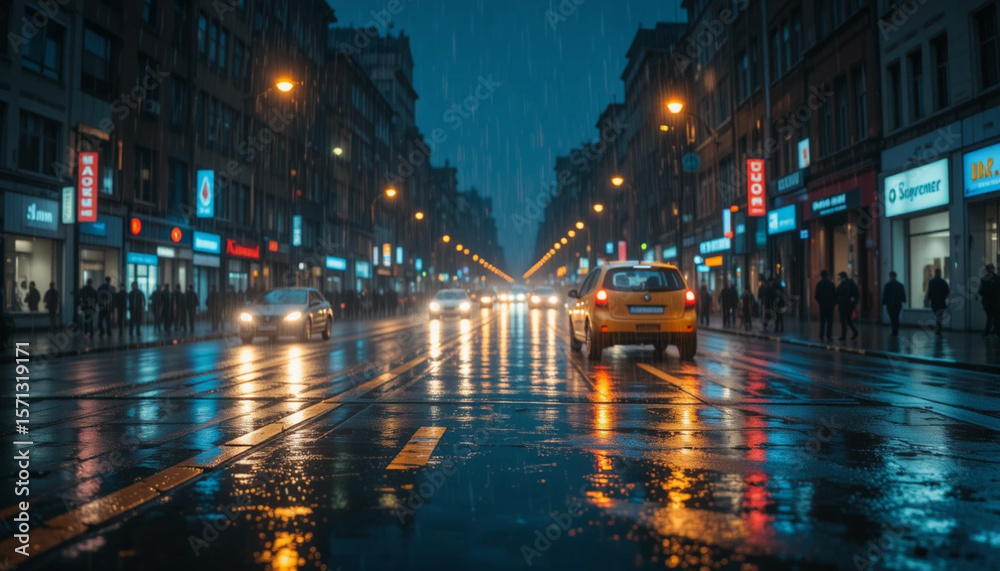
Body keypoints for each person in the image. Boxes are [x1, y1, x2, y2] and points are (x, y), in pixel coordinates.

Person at [836, 271, 859, 340]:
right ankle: (854, 332)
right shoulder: (846, 284)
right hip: (845, 305)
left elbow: (855, 295)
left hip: (846, 305)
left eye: (841, 277)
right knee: (847, 320)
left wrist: (853, 301)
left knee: (844, 320)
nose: (841, 279)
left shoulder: (848, 285)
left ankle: (844, 336)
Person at [882, 271, 906, 336]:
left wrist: (884, 302)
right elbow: (903, 294)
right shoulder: (900, 285)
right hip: (897, 304)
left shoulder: (888, 285)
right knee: (896, 317)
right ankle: (895, 330)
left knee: (893, 318)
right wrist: (904, 300)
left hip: (890, 304)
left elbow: (885, 295)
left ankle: (894, 330)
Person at [926, 268, 950, 335]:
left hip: (934, 302)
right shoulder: (943, 282)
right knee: (940, 316)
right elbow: (948, 292)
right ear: (940, 273)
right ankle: (938, 327)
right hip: (941, 302)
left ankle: (938, 328)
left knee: (937, 315)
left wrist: (928, 300)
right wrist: (944, 298)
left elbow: (929, 292)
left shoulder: (932, 282)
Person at [815, 270, 837, 341]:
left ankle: (821, 335)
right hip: (830, 305)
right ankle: (829, 335)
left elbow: (816, 296)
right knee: (830, 321)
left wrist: (820, 302)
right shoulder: (831, 284)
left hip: (823, 305)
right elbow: (835, 295)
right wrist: (833, 303)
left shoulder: (819, 284)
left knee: (822, 321)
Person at [980, 263, 1000, 337]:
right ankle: (996, 332)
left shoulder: (984, 279)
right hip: (996, 302)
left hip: (987, 302)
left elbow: (980, 291)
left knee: (989, 317)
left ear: (987, 270)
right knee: (997, 318)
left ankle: (987, 332)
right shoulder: (998, 279)